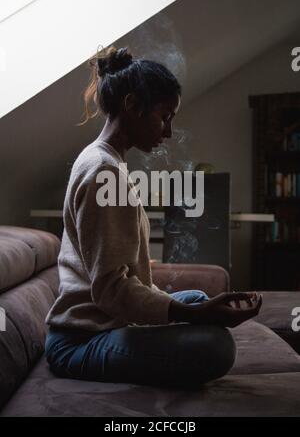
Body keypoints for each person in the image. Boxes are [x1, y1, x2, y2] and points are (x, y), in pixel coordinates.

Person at [45, 45, 262, 389]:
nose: (168, 132)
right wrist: (193, 317)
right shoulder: (104, 172)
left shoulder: (108, 162)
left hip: (110, 324)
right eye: (164, 116)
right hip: (80, 341)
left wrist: (195, 311)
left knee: (199, 301)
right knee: (216, 346)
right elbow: (111, 289)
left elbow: (124, 279)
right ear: (132, 106)